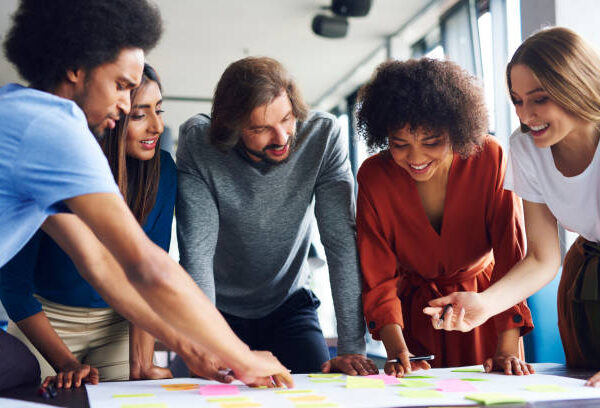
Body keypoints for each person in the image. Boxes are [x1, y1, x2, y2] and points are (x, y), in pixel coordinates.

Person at [0, 0, 292, 391]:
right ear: (75, 69)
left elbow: (99, 265)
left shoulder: (22, 114)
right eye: (121, 85)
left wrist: (193, 350)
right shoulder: (55, 128)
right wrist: (241, 356)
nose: (124, 103)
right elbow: (147, 266)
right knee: (19, 370)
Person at [176, 56, 377, 375]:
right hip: (217, 312)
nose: (282, 137)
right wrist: (206, 345)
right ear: (232, 126)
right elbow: (196, 254)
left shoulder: (322, 137)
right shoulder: (199, 143)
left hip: (289, 306)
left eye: (287, 119)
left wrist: (353, 348)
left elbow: (340, 246)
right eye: (261, 129)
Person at [424, 27, 600, 387]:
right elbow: (542, 258)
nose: (526, 115)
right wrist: (484, 305)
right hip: (584, 280)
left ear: (576, 86)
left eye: (539, 99)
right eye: (518, 101)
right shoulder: (525, 148)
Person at [0, 64, 189, 387]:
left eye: (159, 110)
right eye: (140, 115)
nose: (157, 126)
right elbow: (14, 287)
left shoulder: (164, 171)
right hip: (48, 319)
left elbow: (148, 271)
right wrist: (66, 363)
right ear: (113, 118)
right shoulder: (51, 162)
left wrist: (142, 364)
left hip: (119, 321)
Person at [355, 58, 534, 377]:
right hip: (413, 320)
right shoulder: (374, 176)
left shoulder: (490, 158)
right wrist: (398, 351)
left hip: (485, 309)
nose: (416, 158)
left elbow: (512, 258)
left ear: (456, 129)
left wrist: (506, 349)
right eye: (400, 144)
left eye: (431, 142)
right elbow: (378, 278)